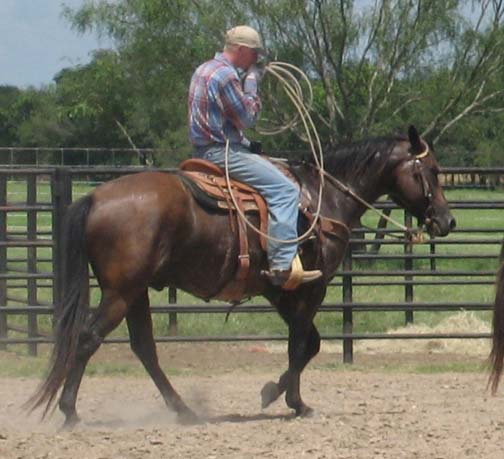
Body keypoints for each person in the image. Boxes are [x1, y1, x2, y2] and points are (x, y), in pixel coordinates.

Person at [188, 25, 322, 288]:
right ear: (241, 50)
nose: (256, 60)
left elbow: (221, 121)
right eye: (254, 54)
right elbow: (247, 117)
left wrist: (248, 144)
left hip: (204, 149)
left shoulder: (203, 69)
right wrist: (252, 83)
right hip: (221, 152)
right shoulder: (226, 76)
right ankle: (283, 263)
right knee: (284, 189)